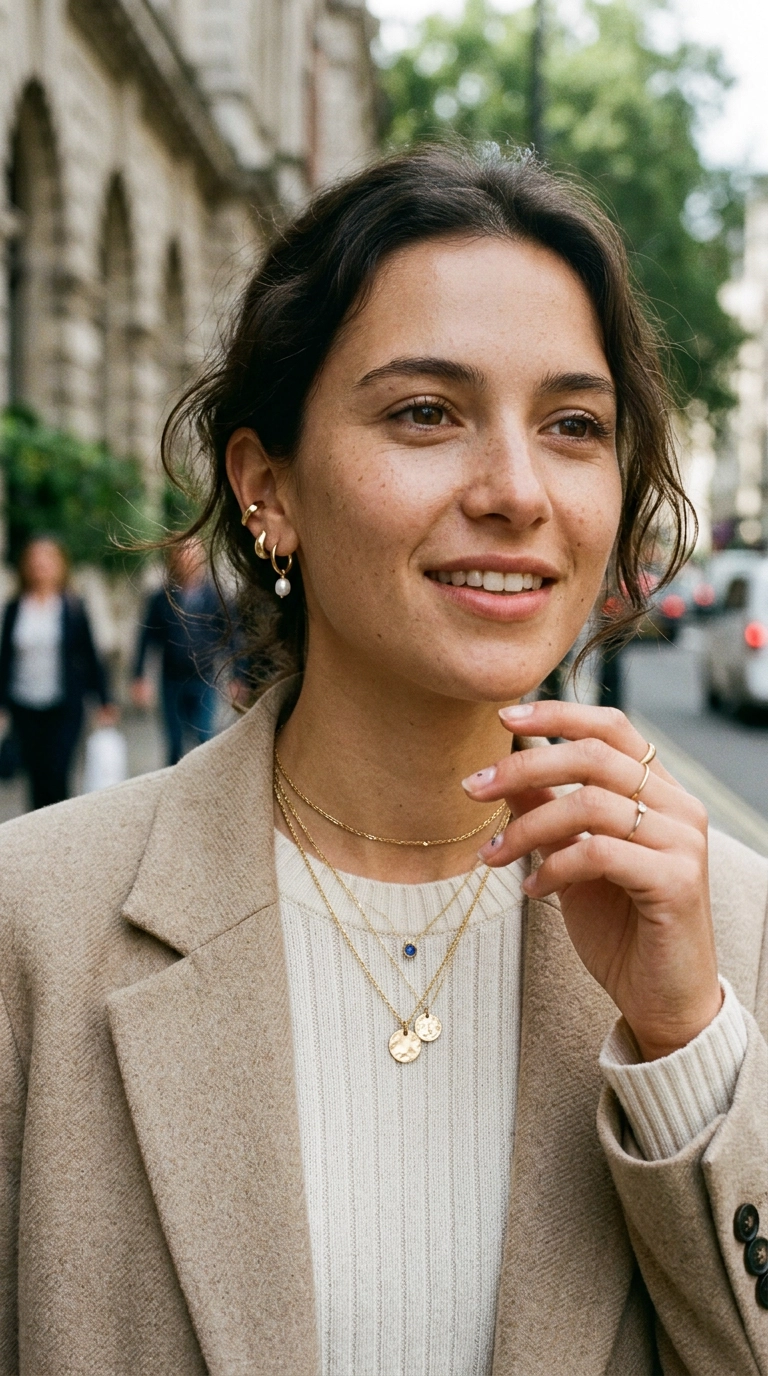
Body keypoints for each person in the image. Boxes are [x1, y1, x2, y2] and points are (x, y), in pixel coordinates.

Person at [0, 147, 766, 1375]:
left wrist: (683, 1043)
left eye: (574, 425)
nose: (517, 489)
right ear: (268, 489)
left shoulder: (728, 929)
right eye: (425, 412)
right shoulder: (33, 923)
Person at [0, 536, 115, 808]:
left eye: (47, 560)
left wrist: (105, 700)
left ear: (60, 566)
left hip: (64, 706)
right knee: (35, 775)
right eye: (35, 561)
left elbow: (90, 656)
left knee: (58, 771)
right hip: (24, 704)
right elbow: (5, 658)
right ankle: (38, 835)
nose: (41, 566)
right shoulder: (15, 608)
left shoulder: (72, 606)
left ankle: (60, 831)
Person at [131, 538, 226, 765]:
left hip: (204, 678)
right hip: (171, 678)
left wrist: (239, 676)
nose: (187, 559)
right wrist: (139, 677)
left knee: (205, 737)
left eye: (192, 554)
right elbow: (146, 638)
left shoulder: (215, 597)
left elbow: (231, 635)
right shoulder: (161, 598)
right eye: (182, 555)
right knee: (174, 742)